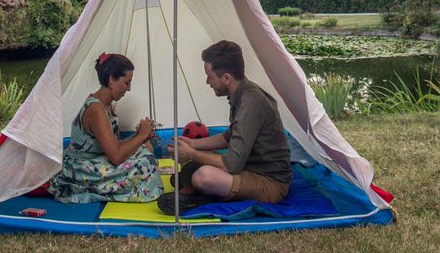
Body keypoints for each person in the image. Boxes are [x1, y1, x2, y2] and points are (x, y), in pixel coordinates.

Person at [157, 40, 291, 215]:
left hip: (270, 182)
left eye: (210, 76)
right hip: (248, 169)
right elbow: (228, 136)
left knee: (202, 176)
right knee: (190, 168)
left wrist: (190, 153)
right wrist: (192, 144)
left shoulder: (252, 103)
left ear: (226, 78)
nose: (207, 82)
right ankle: (201, 192)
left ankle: (201, 199)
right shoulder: (242, 94)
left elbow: (232, 164)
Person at [48, 52, 163, 204]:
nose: (128, 89)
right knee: (146, 163)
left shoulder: (107, 105)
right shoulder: (96, 109)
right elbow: (115, 157)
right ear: (111, 80)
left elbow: (113, 145)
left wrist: (139, 136)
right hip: (82, 168)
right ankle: (92, 189)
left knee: (145, 148)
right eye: (126, 83)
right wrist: (141, 136)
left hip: (98, 158)